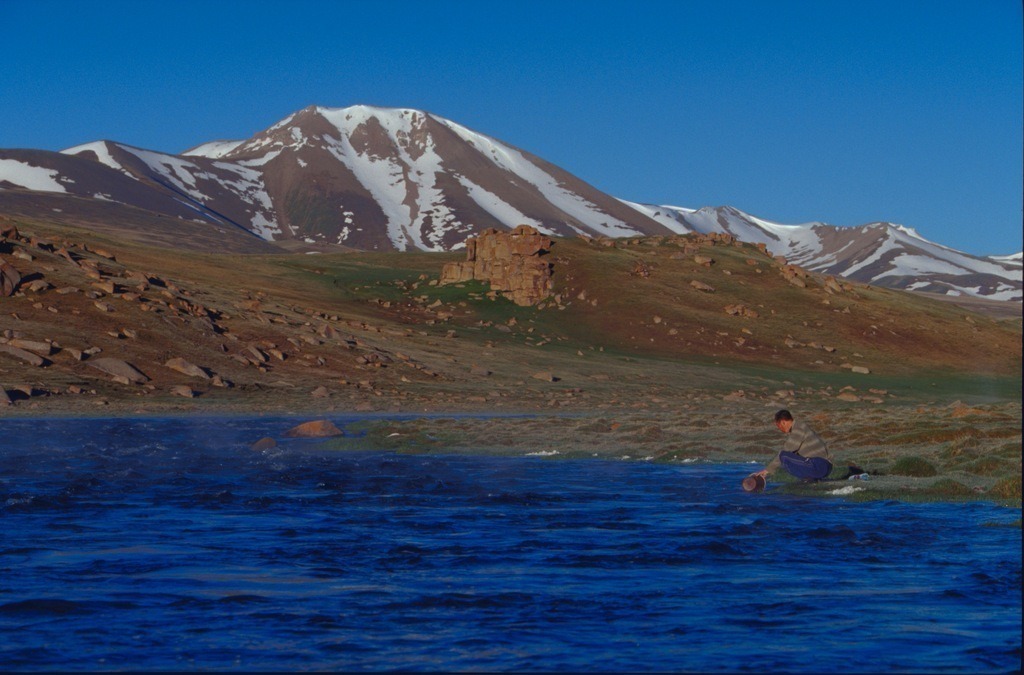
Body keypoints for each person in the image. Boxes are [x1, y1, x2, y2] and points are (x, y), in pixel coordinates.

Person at [753, 409, 833, 482]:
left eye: (778, 426)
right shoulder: (800, 426)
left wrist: (768, 470)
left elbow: (786, 450)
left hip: (819, 465)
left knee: (783, 456)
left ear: (783, 422)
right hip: (822, 466)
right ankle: (811, 480)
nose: (779, 429)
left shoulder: (798, 429)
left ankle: (810, 479)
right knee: (791, 458)